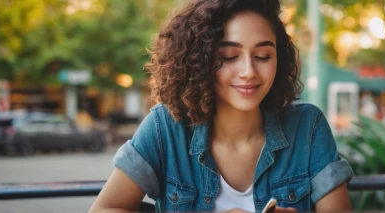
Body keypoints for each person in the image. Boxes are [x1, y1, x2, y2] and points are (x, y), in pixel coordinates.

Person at [89, 0, 353, 212]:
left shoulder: (308, 126)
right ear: (199, 61)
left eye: (263, 56)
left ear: (279, 59)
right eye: (229, 56)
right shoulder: (165, 127)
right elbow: (105, 208)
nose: (249, 71)